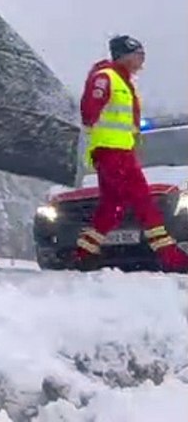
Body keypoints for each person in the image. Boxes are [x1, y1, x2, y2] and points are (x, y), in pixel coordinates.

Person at [74, 36, 188, 272]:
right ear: (126, 55)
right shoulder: (106, 78)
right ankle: (170, 256)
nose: (141, 62)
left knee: (112, 207)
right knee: (143, 200)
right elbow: (89, 111)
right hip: (112, 152)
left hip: (117, 151)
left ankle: (83, 254)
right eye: (139, 56)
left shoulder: (121, 81)